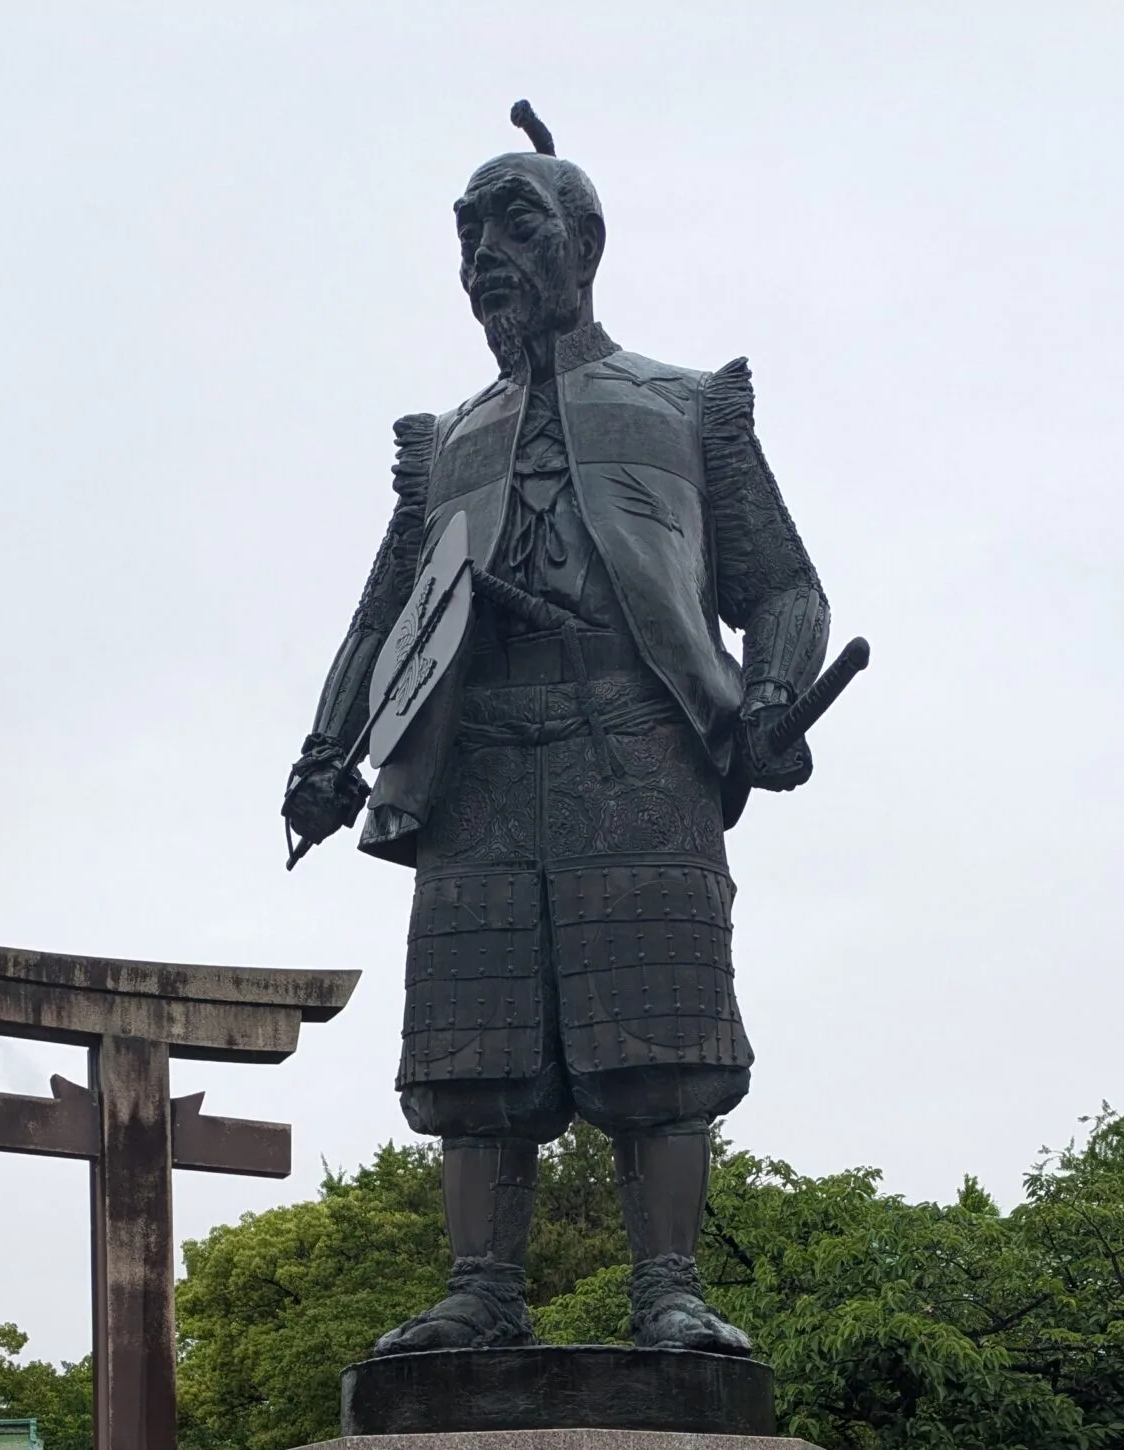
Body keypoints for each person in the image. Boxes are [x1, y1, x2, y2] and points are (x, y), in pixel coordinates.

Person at [282, 102, 828, 1356]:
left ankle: (670, 1287)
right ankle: (481, 1287)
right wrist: (328, 748)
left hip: (637, 740)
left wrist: (772, 693)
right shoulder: (450, 444)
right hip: (471, 755)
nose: (486, 258)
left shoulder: (691, 407)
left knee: (661, 1029)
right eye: (468, 237)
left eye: (513, 225)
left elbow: (784, 588)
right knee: (477, 1048)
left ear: (584, 240)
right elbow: (385, 616)